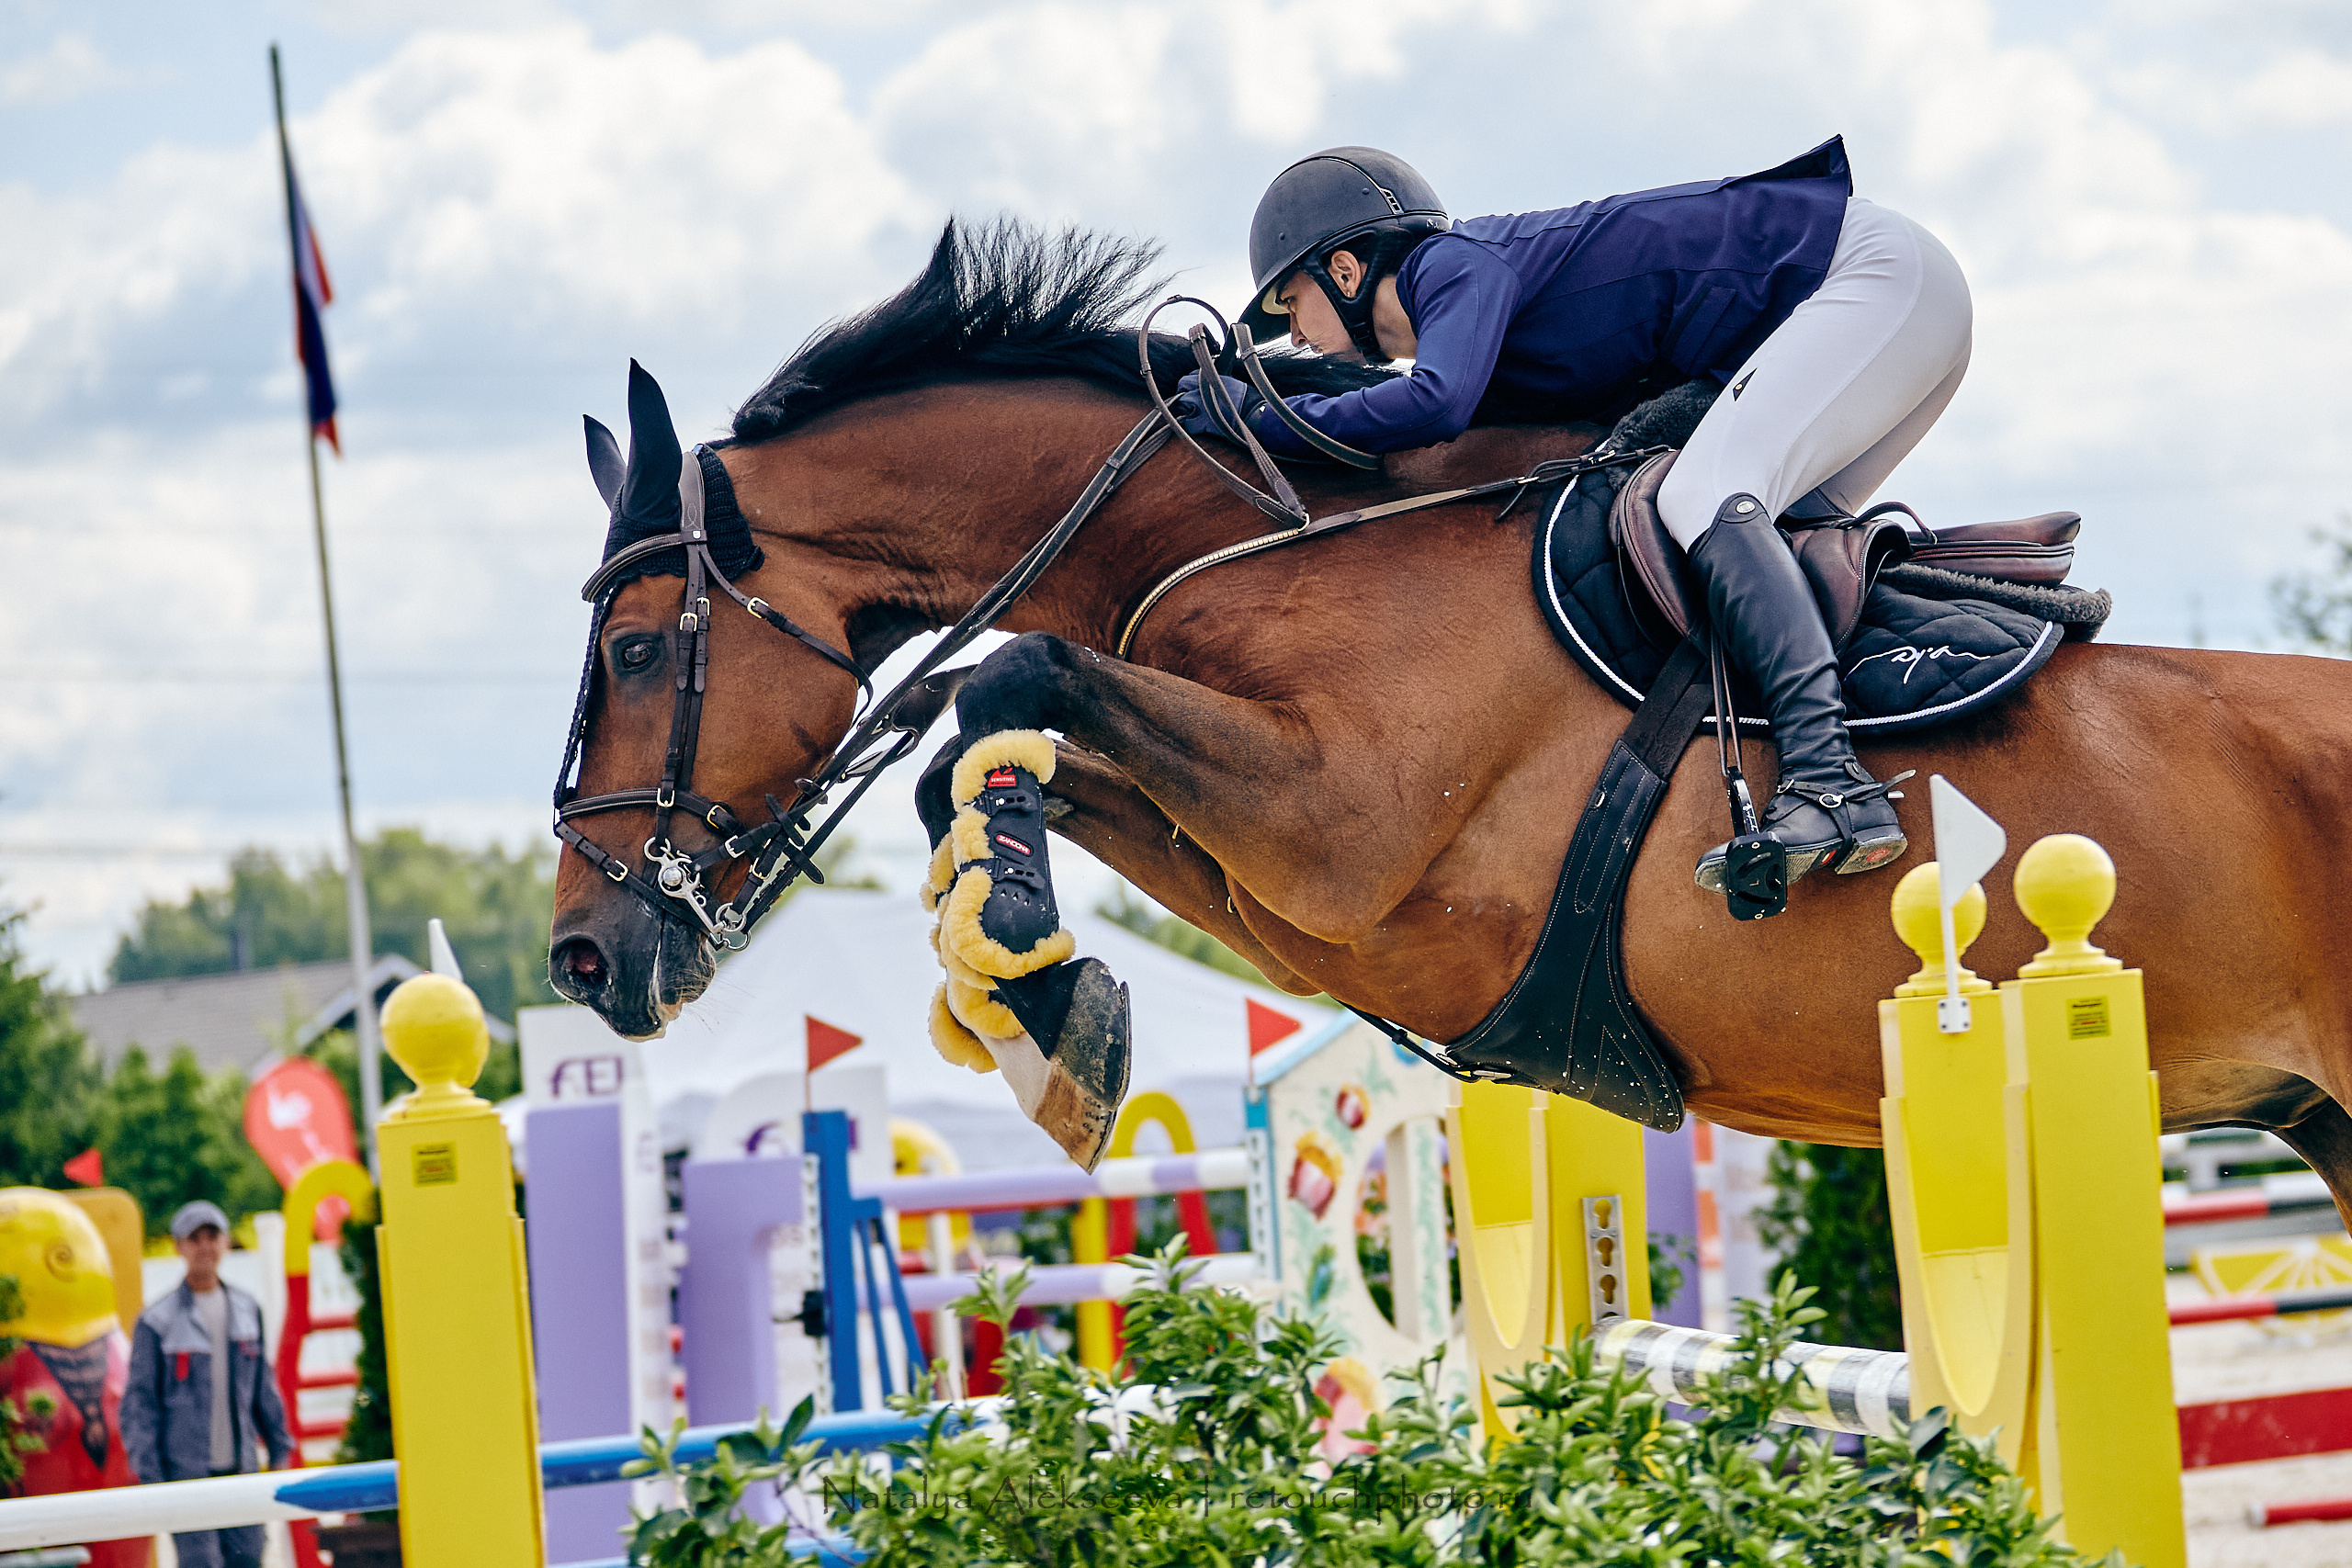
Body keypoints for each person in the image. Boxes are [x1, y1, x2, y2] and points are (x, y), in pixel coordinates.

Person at [1181, 138, 1970, 890]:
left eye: (1292, 305)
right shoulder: (1469, 316)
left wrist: (1260, 419)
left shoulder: (1451, 264)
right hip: (1892, 300)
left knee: (1701, 495)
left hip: (1870, 278)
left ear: (1347, 269)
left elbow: (1435, 405)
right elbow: (1409, 412)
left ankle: (1829, 784)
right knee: (1756, 535)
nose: (1292, 336)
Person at [120, 1201, 294, 1568]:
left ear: (226, 1242)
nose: (204, 1246)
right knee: (200, 1563)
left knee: (249, 1557)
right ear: (179, 1246)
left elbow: (264, 1387)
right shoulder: (157, 1321)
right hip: (185, 1474)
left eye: (212, 1236)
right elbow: (140, 1404)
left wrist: (280, 1447)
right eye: (193, 1238)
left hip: (242, 1469)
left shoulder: (248, 1310)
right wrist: (151, 1476)